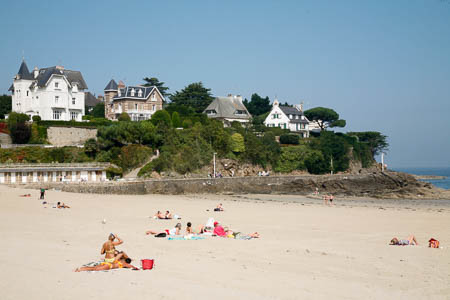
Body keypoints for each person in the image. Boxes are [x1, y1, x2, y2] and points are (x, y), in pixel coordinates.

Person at [75, 257, 139, 272]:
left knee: (93, 267)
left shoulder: (121, 260)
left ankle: (80, 269)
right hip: (109, 266)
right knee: (94, 269)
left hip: (107, 263)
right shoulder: (125, 264)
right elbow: (132, 266)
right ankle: (80, 269)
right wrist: (136, 268)